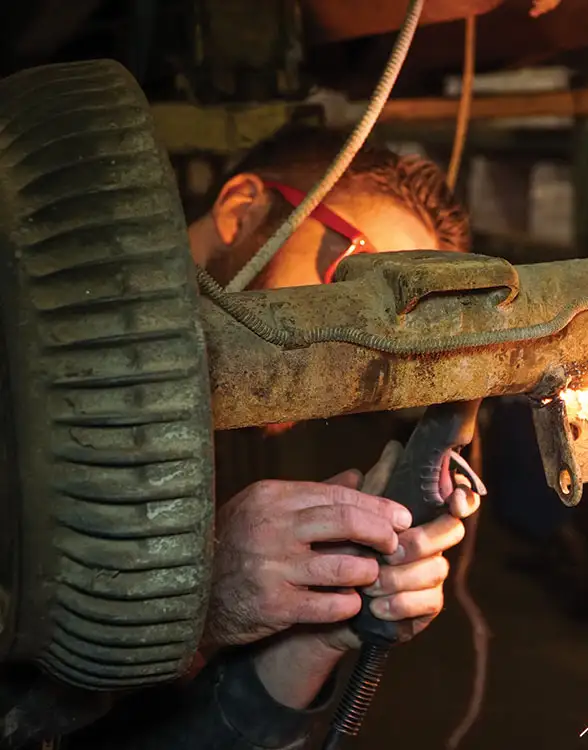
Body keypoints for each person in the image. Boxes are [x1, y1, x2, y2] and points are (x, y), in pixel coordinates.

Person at [52, 126, 478, 750]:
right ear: (243, 209)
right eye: (349, 277)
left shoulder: (229, 418)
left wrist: (317, 628)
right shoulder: (39, 364)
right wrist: (194, 591)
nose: (356, 342)